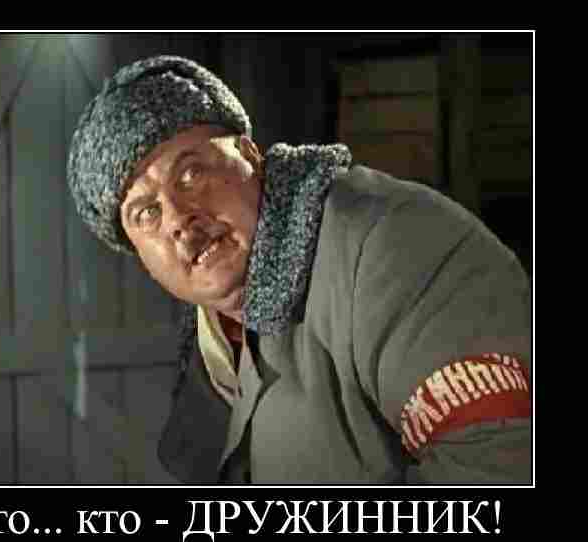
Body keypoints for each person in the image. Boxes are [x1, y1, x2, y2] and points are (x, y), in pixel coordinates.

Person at [67, 55, 532, 484]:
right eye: (146, 213)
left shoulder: (388, 243)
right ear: (139, 256)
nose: (177, 219)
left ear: (249, 154)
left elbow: (499, 464)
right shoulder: (212, 338)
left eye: (191, 174)